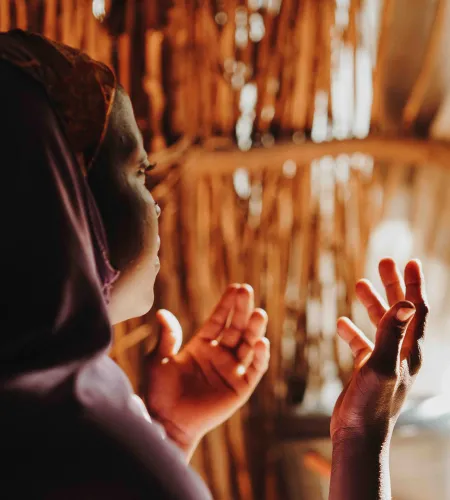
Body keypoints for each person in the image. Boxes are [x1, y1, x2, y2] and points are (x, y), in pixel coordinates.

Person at [0, 29, 428, 499]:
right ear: (61, 193)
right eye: (140, 172)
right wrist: (361, 433)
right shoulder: (66, 440)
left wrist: (164, 438)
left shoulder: (43, 427)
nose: (156, 204)